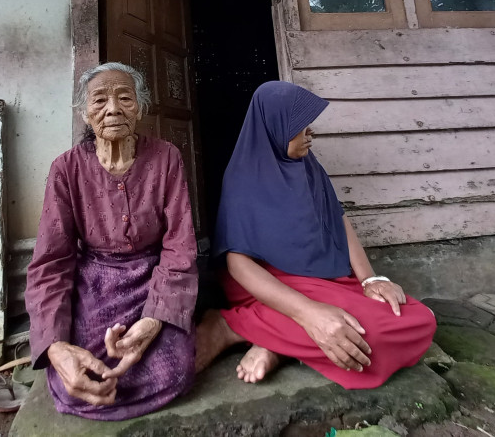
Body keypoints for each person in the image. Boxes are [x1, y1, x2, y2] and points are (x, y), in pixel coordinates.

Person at [196, 81, 436, 387]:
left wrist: (370, 280)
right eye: (300, 126)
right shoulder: (244, 177)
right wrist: (309, 314)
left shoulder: (309, 167)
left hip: (323, 276)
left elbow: (339, 220)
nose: (310, 133)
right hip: (266, 283)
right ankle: (232, 325)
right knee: (365, 336)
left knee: (420, 319)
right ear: (276, 127)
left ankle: (266, 339)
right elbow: (238, 265)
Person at [25, 62, 198, 420]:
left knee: (175, 371)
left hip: (155, 276)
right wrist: (54, 346)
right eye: (100, 100)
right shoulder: (66, 168)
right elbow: (51, 261)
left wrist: (155, 318)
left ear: (140, 108)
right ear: (84, 113)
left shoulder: (166, 157)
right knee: (74, 380)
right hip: (95, 283)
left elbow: (179, 246)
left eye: (125, 98)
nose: (113, 109)